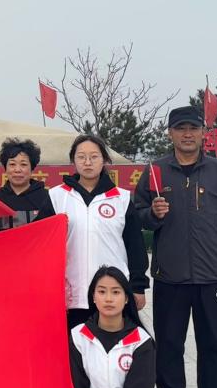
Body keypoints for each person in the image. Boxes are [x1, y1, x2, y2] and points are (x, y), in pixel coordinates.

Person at [132, 105, 217, 388]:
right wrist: (152, 214)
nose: (187, 134)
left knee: (215, 344)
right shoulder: (156, 172)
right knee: (169, 344)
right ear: (170, 133)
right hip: (170, 275)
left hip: (212, 277)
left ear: (203, 133)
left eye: (193, 128)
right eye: (180, 128)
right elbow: (136, 215)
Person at [50, 135, 149, 330]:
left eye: (94, 157)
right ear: (73, 161)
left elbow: (135, 245)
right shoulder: (57, 196)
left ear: (104, 160)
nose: (87, 162)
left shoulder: (121, 199)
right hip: (71, 294)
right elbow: (37, 238)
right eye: (81, 157)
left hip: (111, 293)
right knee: (74, 346)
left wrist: (138, 286)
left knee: (113, 345)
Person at [0, 137, 56, 232]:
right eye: (12, 164)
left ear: (32, 168)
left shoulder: (47, 198)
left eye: (23, 164)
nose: (17, 170)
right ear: (5, 168)